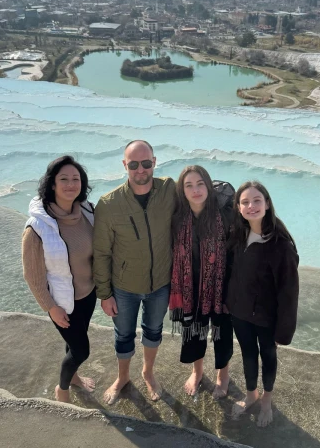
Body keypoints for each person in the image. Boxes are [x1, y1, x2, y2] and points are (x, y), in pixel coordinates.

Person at [93, 140, 176, 404]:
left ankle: (148, 373)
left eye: (146, 163)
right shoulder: (108, 204)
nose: (141, 170)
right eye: (133, 164)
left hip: (161, 284)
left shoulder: (169, 190)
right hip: (124, 287)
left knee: (154, 330)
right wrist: (104, 294)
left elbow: (200, 197)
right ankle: (123, 377)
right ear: (124, 165)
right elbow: (102, 253)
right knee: (124, 335)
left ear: (154, 162)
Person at [22, 155, 96, 404]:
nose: (70, 184)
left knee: (74, 343)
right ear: (52, 184)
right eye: (63, 179)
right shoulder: (37, 227)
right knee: (81, 350)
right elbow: (32, 277)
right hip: (62, 301)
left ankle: (73, 377)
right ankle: (62, 389)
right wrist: (50, 307)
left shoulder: (87, 210)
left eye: (76, 179)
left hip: (88, 294)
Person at [226, 181, 299, 427]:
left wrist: (284, 330)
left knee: (268, 356)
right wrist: (229, 302)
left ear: (267, 203)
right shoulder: (237, 234)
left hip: (267, 318)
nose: (251, 206)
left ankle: (266, 399)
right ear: (238, 207)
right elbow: (230, 273)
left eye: (257, 200)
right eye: (245, 202)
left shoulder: (281, 245)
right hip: (240, 312)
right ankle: (250, 395)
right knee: (247, 354)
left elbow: (289, 293)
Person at [170, 166, 235, 399]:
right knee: (194, 333)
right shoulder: (178, 218)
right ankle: (197, 372)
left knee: (222, 334)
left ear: (208, 185)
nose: (195, 190)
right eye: (189, 185)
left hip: (221, 287)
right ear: (182, 190)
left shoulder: (226, 214)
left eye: (200, 184)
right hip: (190, 289)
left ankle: (222, 375)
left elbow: (238, 249)